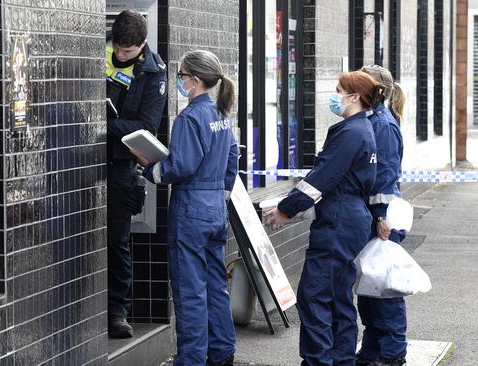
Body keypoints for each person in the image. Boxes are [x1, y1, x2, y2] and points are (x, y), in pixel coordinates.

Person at [264, 71, 384, 365]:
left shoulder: (351, 133)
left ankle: (318, 360)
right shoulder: (362, 129)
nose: (334, 96)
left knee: (315, 294)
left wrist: (286, 209)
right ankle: (341, 359)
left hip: (338, 220)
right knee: (339, 295)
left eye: (339, 90)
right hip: (350, 218)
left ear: (354, 97)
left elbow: (322, 178)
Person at [130, 50, 239, 366]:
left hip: (191, 207)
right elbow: (232, 158)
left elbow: (180, 167)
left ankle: (191, 358)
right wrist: (222, 193)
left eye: (181, 75)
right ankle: (222, 351)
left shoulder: (190, 118)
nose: (178, 80)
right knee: (216, 284)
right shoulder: (221, 115)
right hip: (216, 205)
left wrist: (148, 168)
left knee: (191, 289)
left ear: (194, 79)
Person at [104, 9, 168, 338]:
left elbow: (146, 126)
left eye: (127, 51)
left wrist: (104, 125)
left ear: (142, 44)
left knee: (117, 241)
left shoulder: (153, 72)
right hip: (84, 159)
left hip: (120, 166)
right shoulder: (100, 50)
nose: (119, 54)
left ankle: (117, 311)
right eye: (117, 47)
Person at [355, 65, 407, 366]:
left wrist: (380, 217)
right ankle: (372, 350)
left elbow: (384, 176)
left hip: (381, 219)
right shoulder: (374, 120)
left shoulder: (383, 125)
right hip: (373, 216)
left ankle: (392, 354)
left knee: (385, 290)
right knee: (370, 287)